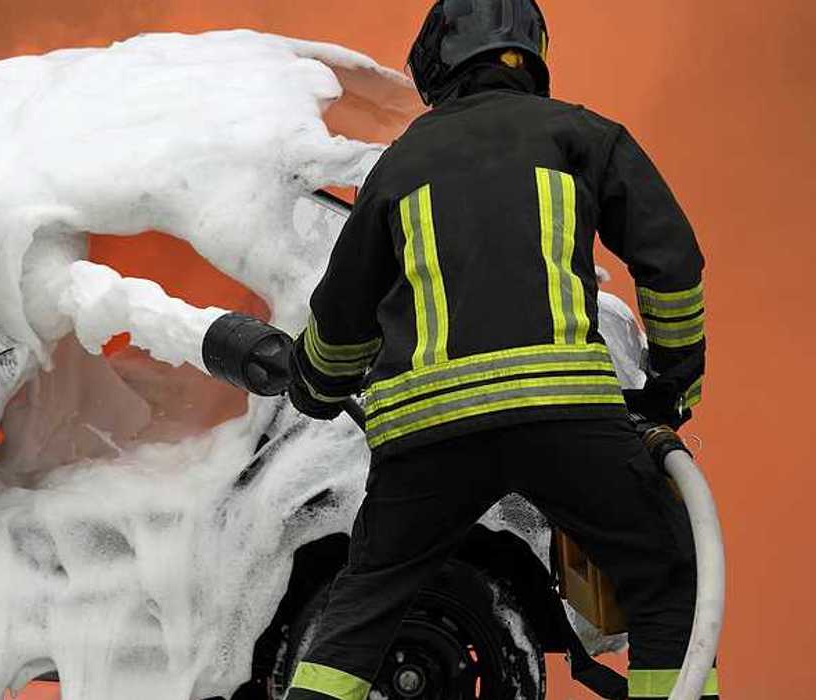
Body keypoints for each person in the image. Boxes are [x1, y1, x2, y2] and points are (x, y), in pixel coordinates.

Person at [284, 1, 714, 698]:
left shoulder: (400, 166)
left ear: (436, 61)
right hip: (564, 420)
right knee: (663, 579)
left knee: (366, 601)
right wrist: (670, 387)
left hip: (427, 438)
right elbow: (671, 264)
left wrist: (316, 383)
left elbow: (340, 319)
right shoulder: (584, 135)